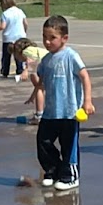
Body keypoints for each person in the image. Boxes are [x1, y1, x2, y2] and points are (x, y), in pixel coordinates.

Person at [30, 15, 95, 191]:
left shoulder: (70, 56)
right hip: (51, 111)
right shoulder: (46, 60)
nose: (47, 42)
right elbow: (42, 80)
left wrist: (87, 102)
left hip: (69, 112)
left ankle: (70, 176)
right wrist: (34, 91)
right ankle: (52, 171)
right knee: (43, 142)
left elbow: (85, 77)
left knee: (69, 146)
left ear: (64, 38)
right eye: (44, 37)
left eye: (52, 38)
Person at [11, 37, 49, 124]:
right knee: (39, 86)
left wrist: (26, 70)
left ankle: (39, 115)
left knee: (39, 87)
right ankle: (42, 114)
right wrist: (32, 97)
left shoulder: (26, 51)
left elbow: (31, 60)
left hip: (47, 65)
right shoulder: (34, 51)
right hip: (49, 64)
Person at [0, 0, 28, 78]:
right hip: (20, 37)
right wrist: (24, 31)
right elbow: (26, 23)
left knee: (6, 56)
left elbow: (3, 26)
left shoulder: (5, 14)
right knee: (19, 55)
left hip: (8, 38)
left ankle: (5, 71)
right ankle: (19, 70)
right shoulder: (20, 11)